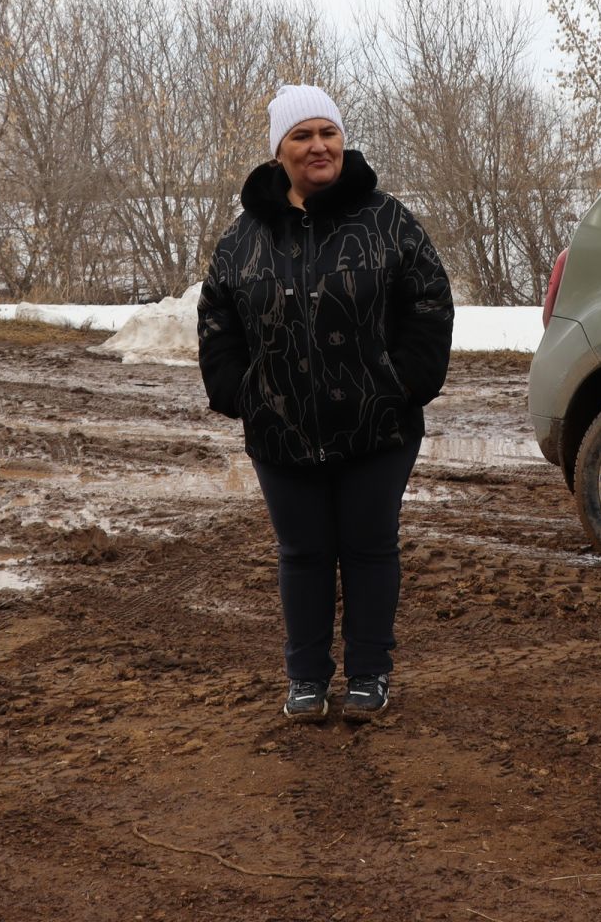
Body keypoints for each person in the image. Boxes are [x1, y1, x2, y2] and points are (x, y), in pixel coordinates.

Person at [198, 85, 453, 723]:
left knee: (370, 547)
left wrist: (404, 381)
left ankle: (370, 673)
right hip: (281, 428)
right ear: (279, 151)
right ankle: (307, 678)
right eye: (303, 136)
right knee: (303, 553)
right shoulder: (244, 237)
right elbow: (216, 318)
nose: (320, 147)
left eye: (328, 133)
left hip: (379, 423)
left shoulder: (386, 219)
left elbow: (429, 299)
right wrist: (240, 391)